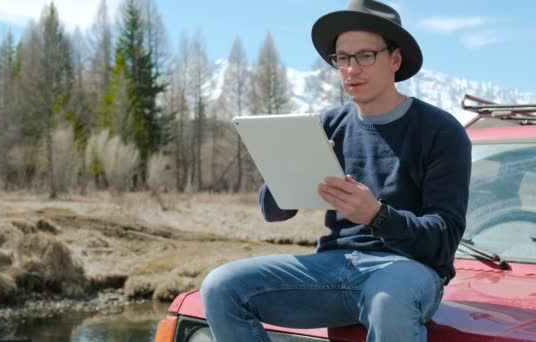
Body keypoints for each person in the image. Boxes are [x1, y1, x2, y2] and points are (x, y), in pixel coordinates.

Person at [200, 0, 472, 341]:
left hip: (406, 271)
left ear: (395, 59)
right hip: (331, 267)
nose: (351, 69)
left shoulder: (441, 131)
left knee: (389, 298)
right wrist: (291, 170)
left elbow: (443, 241)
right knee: (221, 286)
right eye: (342, 58)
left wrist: (376, 215)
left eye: (365, 56)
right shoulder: (327, 124)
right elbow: (271, 211)